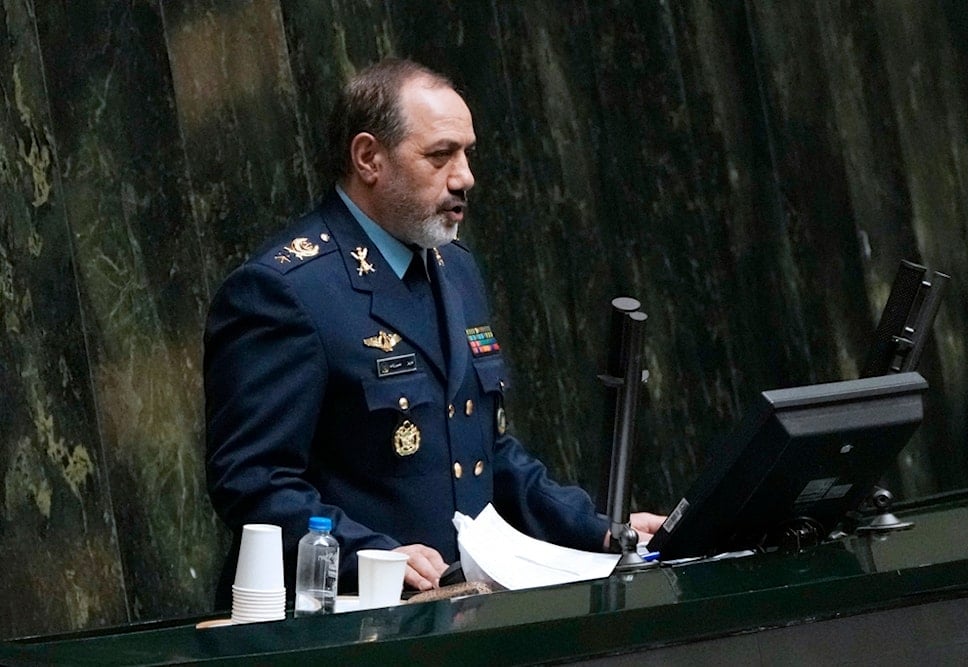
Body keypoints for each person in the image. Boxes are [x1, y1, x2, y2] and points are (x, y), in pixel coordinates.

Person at [204, 58, 664, 606]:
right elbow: (253, 482)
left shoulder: (454, 267)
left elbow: (485, 454)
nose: (464, 176)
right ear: (369, 157)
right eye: (440, 155)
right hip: (344, 622)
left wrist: (603, 530)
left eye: (467, 153)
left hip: (457, 612)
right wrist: (368, 554)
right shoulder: (286, 290)